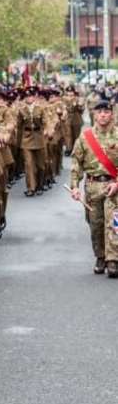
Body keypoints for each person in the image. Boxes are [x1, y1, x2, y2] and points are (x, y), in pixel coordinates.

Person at [70, 100, 118, 275]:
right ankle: (100, 256)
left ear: (111, 114)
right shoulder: (85, 137)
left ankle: (113, 260)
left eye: (106, 111)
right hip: (93, 186)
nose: (103, 115)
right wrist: (75, 186)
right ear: (95, 115)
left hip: (114, 186)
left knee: (114, 223)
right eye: (100, 112)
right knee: (95, 224)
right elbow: (76, 162)